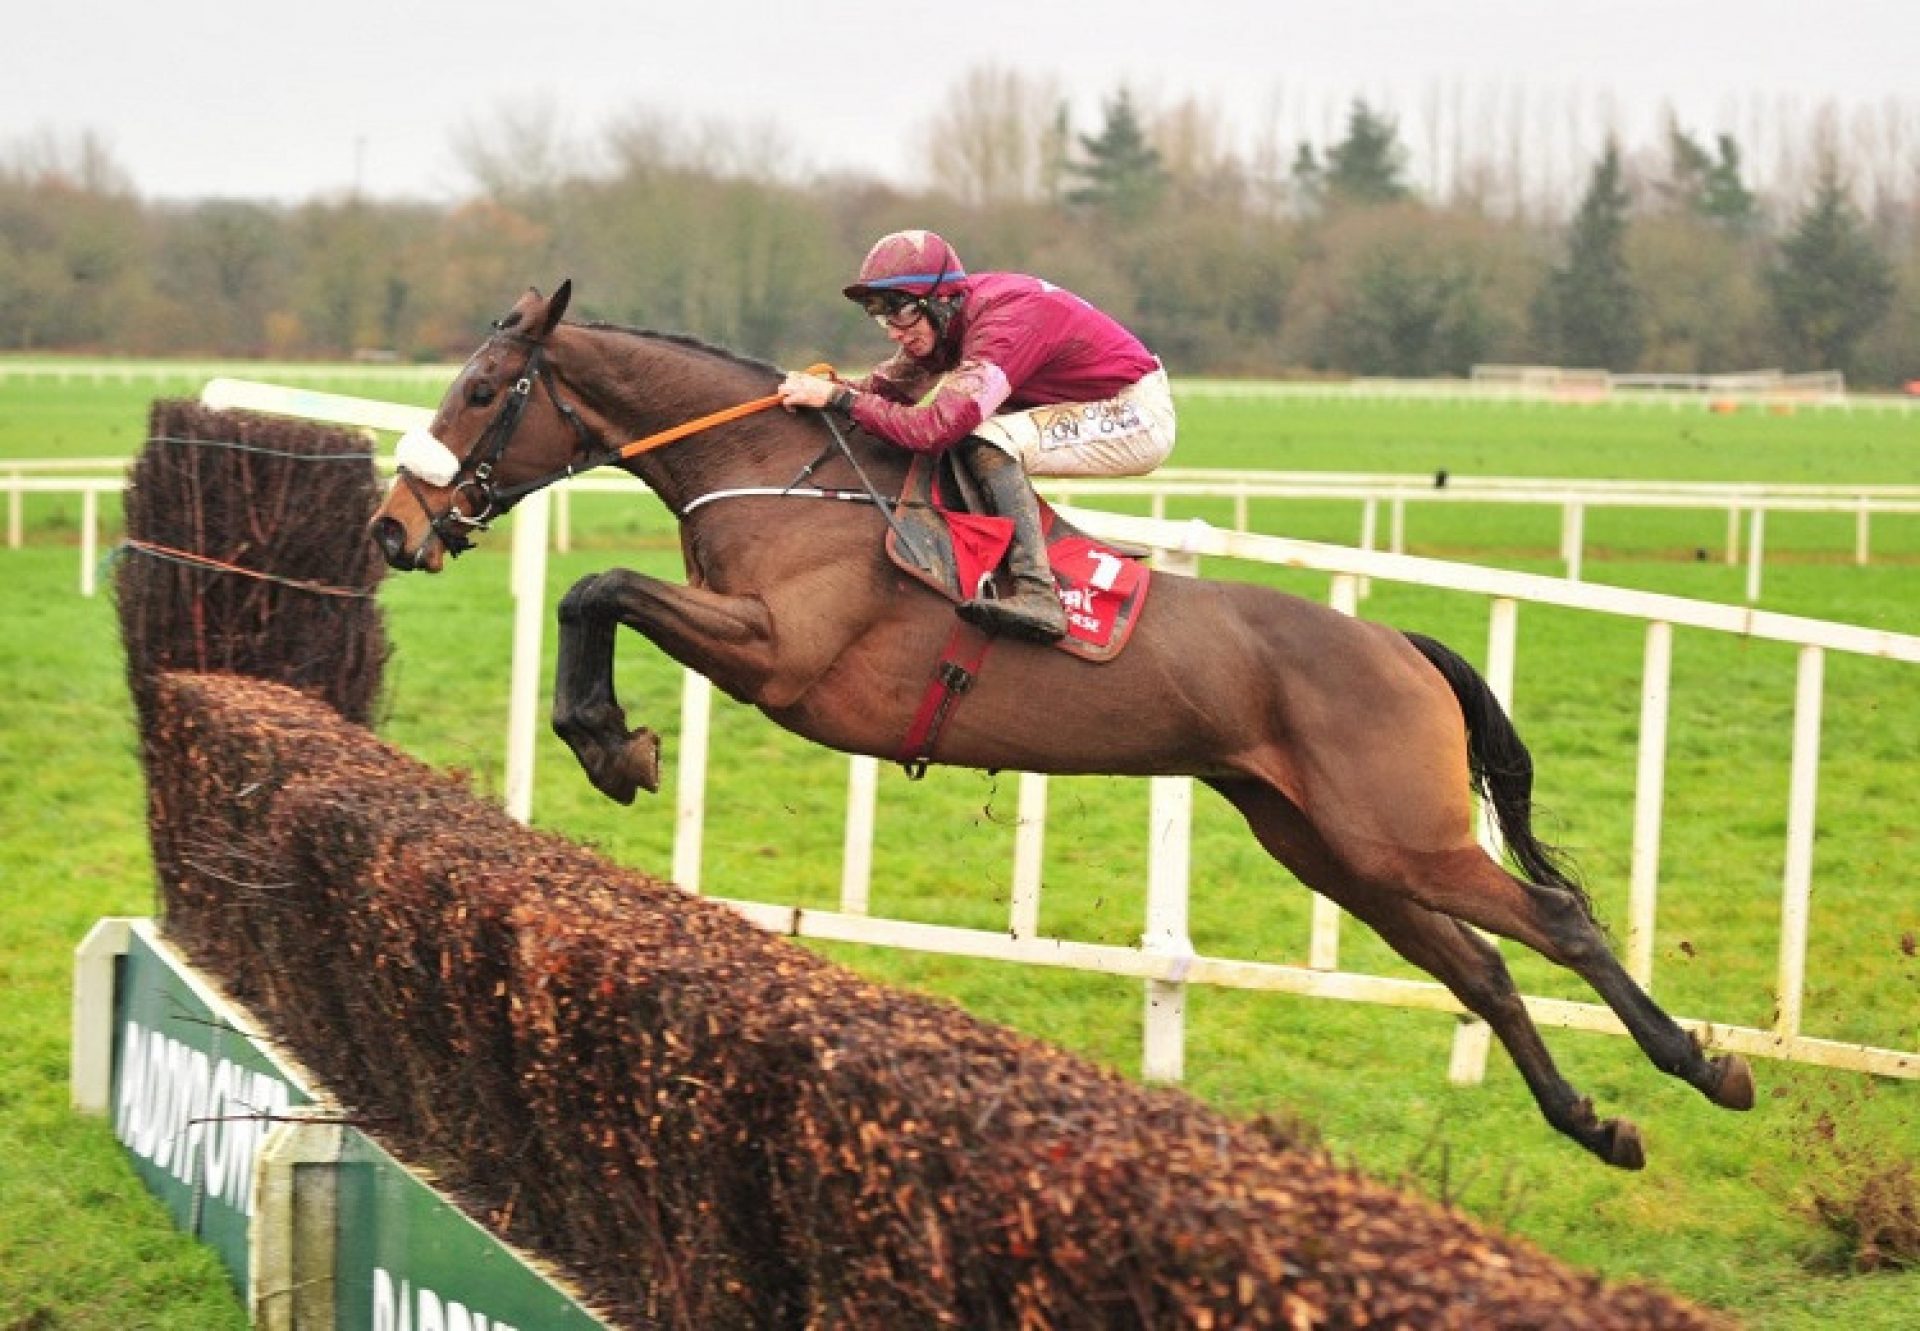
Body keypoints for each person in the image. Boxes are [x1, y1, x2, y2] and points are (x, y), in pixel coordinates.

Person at [779, 229, 1175, 643]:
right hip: (1084, 401)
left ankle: (1038, 594)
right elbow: (883, 393)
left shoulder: (1003, 323)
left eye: (901, 313)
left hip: (1135, 413)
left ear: (940, 300)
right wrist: (818, 391)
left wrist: (838, 398)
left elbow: (935, 428)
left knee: (984, 438)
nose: (893, 331)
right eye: (883, 316)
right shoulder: (946, 320)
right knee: (968, 439)